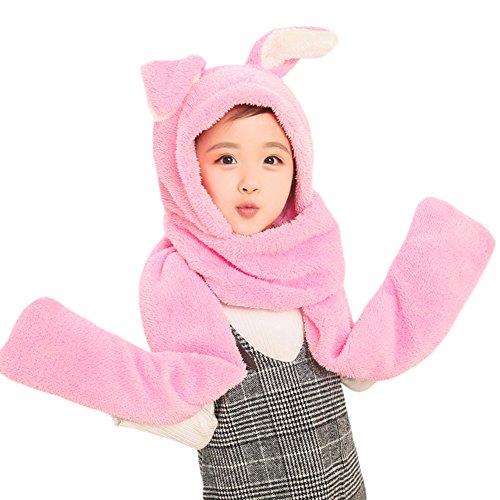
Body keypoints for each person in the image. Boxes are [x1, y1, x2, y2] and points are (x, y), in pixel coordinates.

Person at [0, 27, 494, 499]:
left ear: (299, 167)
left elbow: (358, 370)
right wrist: (124, 395)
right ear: (184, 168)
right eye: (226, 159)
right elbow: (194, 419)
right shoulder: (180, 281)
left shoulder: (312, 265)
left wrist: (424, 287)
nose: (251, 182)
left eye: (272, 159)